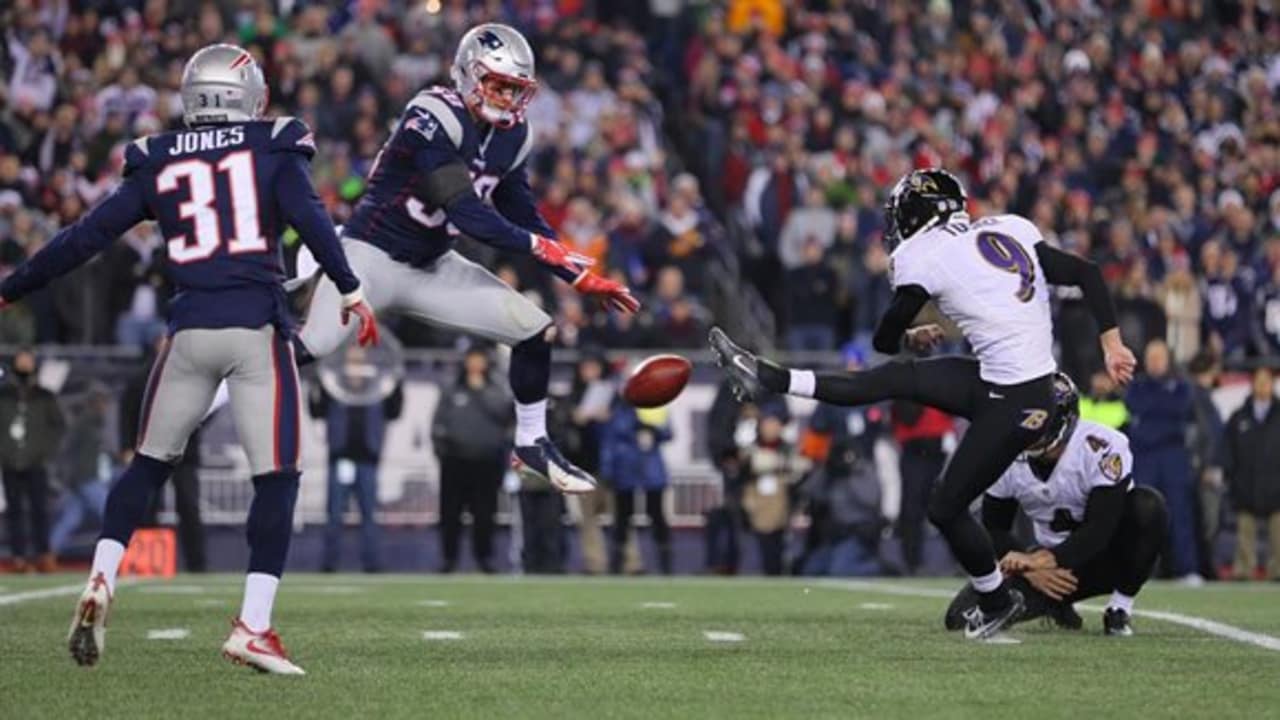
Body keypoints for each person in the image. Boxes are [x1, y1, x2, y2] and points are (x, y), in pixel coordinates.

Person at [0, 44, 377, 673]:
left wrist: (10, 288)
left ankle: (101, 576)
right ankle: (253, 626)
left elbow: (84, 238)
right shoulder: (274, 144)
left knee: (146, 465)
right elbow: (310, 218)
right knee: (277, 478)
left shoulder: (157, 158)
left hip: (187, 332)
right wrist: (351, 285)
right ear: (245, 95)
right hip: (255, 328)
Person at [710, 168, 1135, 639]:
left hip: (1016, 399)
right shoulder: (1006, 227)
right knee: (895, 380)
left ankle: (996, 600)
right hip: (1011, 381)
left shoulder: (923, 253)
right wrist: (1112, 344)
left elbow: (884, 336)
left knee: (944, 505)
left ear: (918, 213)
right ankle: (767, 376)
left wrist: (908, 334)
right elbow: (1085, 273)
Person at [293, 23, 640, 495]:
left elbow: (526, 216)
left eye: (515, 89)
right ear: (467, 73)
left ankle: (532, 441)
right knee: (315, 345)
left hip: (432, 266)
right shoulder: (434, 111)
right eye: (497, 84)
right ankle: (230, 376)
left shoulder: (513, 137)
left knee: (533, 328)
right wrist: (542, 250)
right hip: (370, 256)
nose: (506, 98)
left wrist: (579, 277)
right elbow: (467, 211)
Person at [943, 373, 1168, 637]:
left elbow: (1099, 529)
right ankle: (1058, 605)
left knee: (1148, 506)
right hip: (1053, 569)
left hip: (1109, 557)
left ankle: (1120, 608)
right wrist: (1030, 571)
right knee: (960, 616)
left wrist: (1040, 560)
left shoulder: (1102, 446)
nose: (1033, 426)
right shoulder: (1006, 454)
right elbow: (994, 528)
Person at [309, 345, 404, 573]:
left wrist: (397, 384)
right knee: (333, 515)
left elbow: (394, 411)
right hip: (340, 457)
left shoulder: (377, 389)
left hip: (367, 459)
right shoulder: (333, 387)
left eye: (359, 360)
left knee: (370, 515)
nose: (355, 365)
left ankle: (372, 564)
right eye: (351, 360)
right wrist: (316, 384)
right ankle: (329, 564)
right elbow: (316, 411)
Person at [119, 336, 206, 573]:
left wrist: (196, 428)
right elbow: (127, 413)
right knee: (147, 505)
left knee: (189, 507)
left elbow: (207, 408)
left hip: (184, 453)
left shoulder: (192, 376)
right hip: (153, 450)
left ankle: (197, 565)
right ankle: (146, 562)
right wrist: (127, 447)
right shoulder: (141, 379)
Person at [1125, 339, 1201, 584]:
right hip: (1145, 457)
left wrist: (1151, 419)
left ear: (1168, 359)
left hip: (1173, 457)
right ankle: (1142, 569)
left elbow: (1180, 408)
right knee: (1143, 516)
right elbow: (1135, 404)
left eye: (1159, 357)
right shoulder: (1136, 386)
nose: (1155, 362)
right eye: (1151, 357)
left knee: (1181, 513)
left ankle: (1187, 569)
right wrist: (1163, 419)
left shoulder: (1181, 386)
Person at [431, 346, 511, 573]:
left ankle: (484, 558)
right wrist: (441, 451)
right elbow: (438, 422)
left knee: (485, 514)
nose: (475, 365)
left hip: (486, 462)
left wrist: (481, 391)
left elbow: (504, 415)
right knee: (450, 514)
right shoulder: (451, 388)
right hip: (455, 461)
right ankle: (449, 559)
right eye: (471, 360)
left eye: (480, 360)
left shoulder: (495, 389)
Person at [0, 349, 66, 573]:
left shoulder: (44, 396)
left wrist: (44, 451)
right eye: (21, 359)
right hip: (10, 462)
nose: (25, 364)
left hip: (37, 463)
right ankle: (18, 558)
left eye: (28, 360)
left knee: (39, 510)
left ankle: (43, 556)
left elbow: (58, 427)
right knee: (15, 512)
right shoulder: (4, 395)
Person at [601, 402, 673, 575]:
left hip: (650, 469)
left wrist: (653, 429)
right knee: (623, 517)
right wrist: (608, 470)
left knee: (656, 515)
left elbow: (668, 432)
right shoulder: (621, 410)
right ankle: (617, 564)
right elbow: (611, 438)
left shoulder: (654, 406)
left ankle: (666, 565)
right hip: (626, 469)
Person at [1223, 366, 1280, 581]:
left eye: (1266, 381)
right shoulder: (1240, 416)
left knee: (1278, 532)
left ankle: (1278, 570)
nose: (1263, 385)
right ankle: (1243, 568)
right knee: (1244, 532)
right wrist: (1229, 474)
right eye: (1259, 381)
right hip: (1245, 480)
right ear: (1252, 384)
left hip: (1276, 481)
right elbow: (1228, 447)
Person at [740, 408, 809, 576]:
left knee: (779, 548)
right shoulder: (752, 447)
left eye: (774, 424)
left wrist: (779, 464)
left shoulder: (787, 448)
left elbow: (802, 467)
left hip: (781, 504)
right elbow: (750, 465)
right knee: (759, 548)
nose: (771, 428)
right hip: (757, 504)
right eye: (768, 424)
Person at [49, 387, 112, 558]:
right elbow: (68, 450)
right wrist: (69, 475)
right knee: (111, 513)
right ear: (94, 403)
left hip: (83, 478)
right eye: (102, 402)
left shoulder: (93, 423)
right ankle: (123, 554)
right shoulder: (85, 423)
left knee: (71, 519)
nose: (105, 406)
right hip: (86, 478)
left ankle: (49, 553)